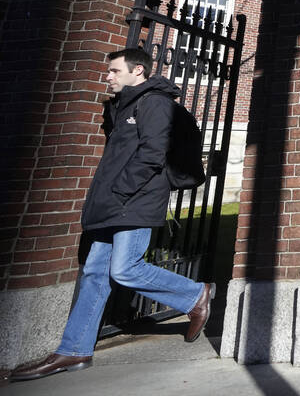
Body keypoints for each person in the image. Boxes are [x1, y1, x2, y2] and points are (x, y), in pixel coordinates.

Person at [11, 47, 215, 382]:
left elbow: (153, 154)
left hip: (135, 200)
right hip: (114, 202)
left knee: (125, 268)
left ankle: (195, 294)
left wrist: (120, 190)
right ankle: (74, 348)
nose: (108, 77)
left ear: (138, 71)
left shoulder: (155, 102)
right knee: (94, 271)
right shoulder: (122, 106)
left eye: (114, 71)